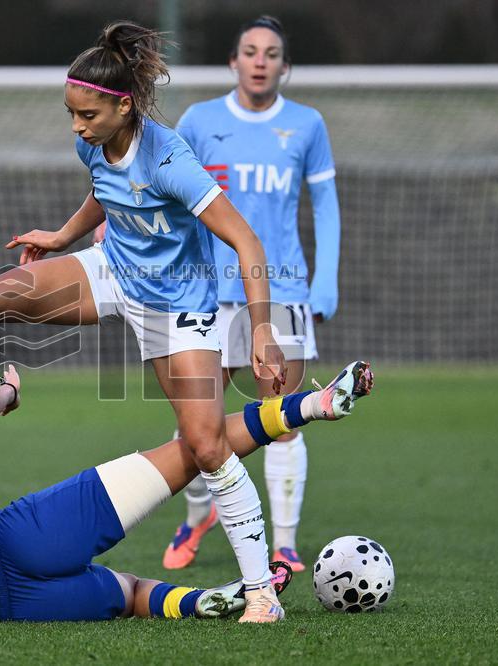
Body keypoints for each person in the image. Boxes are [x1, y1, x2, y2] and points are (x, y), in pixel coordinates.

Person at [0, 21, 290, 621]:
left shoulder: (171, 159)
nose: (76, 126)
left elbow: (245, 241)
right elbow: (106, 190)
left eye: (87, 115)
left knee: (204, 445)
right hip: (112, 270)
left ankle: (261, 596)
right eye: (70, 113)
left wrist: (263, 327)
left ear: (122, 106)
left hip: (178, 306)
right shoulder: (93, 141)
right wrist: (64, 236)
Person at [96, 16, 342, 573]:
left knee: (281, 414)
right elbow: (152, 180)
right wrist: (118, 221)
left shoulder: (307, 126)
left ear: (285, 66)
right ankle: (197, 516)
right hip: (201, 288)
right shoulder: (200, 121)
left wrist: (324, 284)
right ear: (234, 62)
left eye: (272, 53)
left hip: (279, 290)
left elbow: (325, 208)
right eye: (250, 51)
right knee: (199, 423)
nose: (260, 61)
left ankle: (284, 544)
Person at [0, 360, 373, 623]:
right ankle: (312, 405)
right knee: (190, 452)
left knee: (129, 593)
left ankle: (204, 602)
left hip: (15, 606)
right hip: (15, 538)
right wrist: (9, 392)